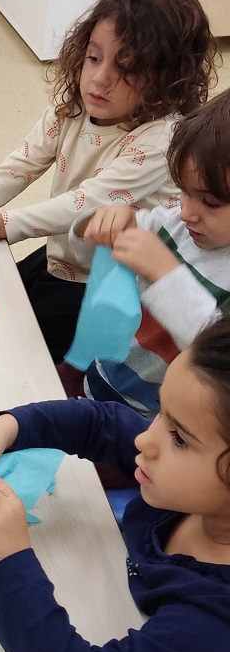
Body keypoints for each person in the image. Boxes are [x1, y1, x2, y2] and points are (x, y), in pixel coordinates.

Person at [0, 315, 230, 652]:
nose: (146, 440)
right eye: (159, 412)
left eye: (180, 439)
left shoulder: (219, 621)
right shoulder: (196, 490)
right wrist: (9, 427)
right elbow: (100, 422)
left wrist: (12, 559)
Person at [0, 0, 217, 362]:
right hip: (63, 251)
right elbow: (23, 163)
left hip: (104, 281)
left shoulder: (159, 139)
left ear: (169, 79)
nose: (100, 78)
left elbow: (85, 202)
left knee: (17, 352)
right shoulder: (75, 108)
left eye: (127, 69)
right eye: (94, 58)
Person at [69, 86, 230, 414]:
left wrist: (167, 276)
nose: (186, 212)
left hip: (154, 422)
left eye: (210, 202)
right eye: (184, 192)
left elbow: (217, 364)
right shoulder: (172, 224)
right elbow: (85, 260)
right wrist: (96, 226)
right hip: (97, 377)